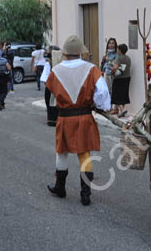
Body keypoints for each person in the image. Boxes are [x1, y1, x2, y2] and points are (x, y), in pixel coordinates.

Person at [46, 35, 111, 206]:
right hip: (84, 116)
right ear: (80, 52)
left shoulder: (56, 70)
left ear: (65, 53)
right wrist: (99, 105)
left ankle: (60, 188)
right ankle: (85, 194)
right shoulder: (91, 69)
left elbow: (50, 93)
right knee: (84, 154)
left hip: (65, 117)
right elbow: (103, 92)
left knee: (62, 152)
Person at [110, 43, 131, 117]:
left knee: (116, 94)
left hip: (119, 79)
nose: (117, 50)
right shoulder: (128, 58)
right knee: (124, 94)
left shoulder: (118, 58)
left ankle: (122, 109)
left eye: (118, 49)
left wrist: (112, 72)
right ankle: (120, 111)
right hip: (127, 78)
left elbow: (115, 67)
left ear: (120, 50)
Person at [40, 52, 55, 125]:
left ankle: (51, 119)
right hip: (56, 85)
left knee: (49, 101)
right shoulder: (57, 64)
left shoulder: (48, 64)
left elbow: (45, 77)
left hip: (50, 85)